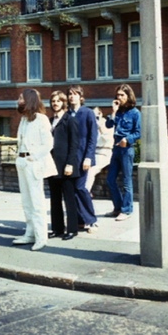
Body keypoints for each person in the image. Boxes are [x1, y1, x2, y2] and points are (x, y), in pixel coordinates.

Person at [12, 88, 58, 251]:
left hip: (33, 163)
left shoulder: (41, 119)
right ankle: (30, 233)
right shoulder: (24, 119)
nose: (18, 100)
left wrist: (34, 156)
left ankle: (41, 237)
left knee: (36, 201)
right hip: (22, 162)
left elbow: (48, 144)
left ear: (29, 100)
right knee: (26, 201)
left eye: (21, 98)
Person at [104, 84, 141, 221]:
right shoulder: (118, 112)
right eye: (118, 95)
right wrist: (113, 111)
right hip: (116, 148)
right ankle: (118, 207)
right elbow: (108, 125)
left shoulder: (135, 113)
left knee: (127, 180)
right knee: (110, 179)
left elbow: (138, 132)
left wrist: (128, 139)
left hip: (127, 149)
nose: (119, 98)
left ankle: (127, 210)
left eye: (122, 95)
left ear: (128, 96)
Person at [47, 91, 80, 241]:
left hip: (66, 166)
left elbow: (74, 145)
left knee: (69, 199)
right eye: (53, 101)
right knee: (54, 199)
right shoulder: (50, 121)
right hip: (52, 166)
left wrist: (70, 164)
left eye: (58, 101)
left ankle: (72, 229)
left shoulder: (70, 120)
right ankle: (57, 228)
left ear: (63, 103)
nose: (55, 103)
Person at [67, 85, 99, 233]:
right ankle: (79, 220)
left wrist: (88, 157)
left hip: (83, 158)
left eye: (75, 94)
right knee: (72, 190)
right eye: (69, 94)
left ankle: (91, 220)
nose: (71, 96)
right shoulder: (67, 114)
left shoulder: (87, 113)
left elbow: (93, 137)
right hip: (70, 159)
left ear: (81, 96)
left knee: (81, 188)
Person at [85, 107, 114, 194]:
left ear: (100, 114)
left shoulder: (107, 123)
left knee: (91, 170)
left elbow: (107, 139)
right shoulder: (89, 125)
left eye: (96, 115)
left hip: (103, 152)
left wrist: (100, 127)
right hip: (93, 153)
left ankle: (86, 192)